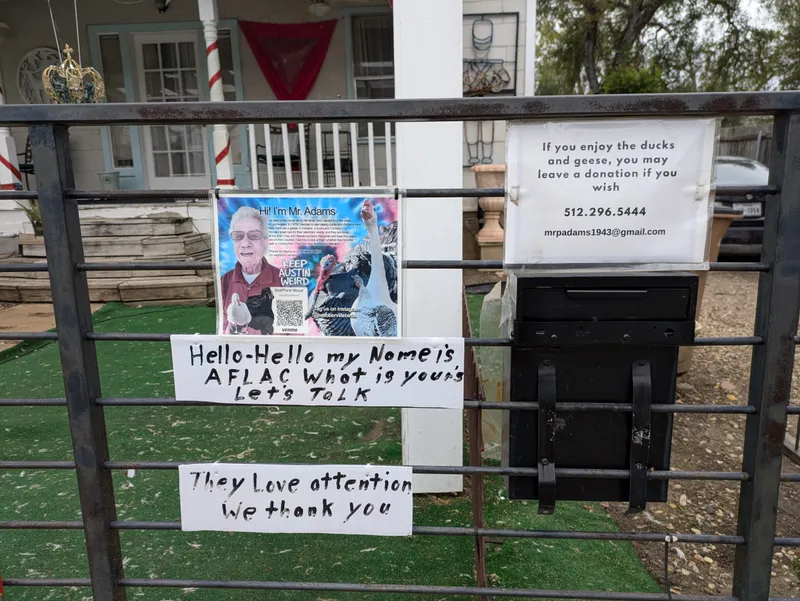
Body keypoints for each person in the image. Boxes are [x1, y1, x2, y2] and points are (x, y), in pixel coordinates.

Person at [219, 206, 282, 334]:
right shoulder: (224, 281)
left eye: (254, 236)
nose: (245, 243)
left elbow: (292, 331)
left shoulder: (282, 279)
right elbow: (222, 326)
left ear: (265, 241)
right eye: (238, 236)